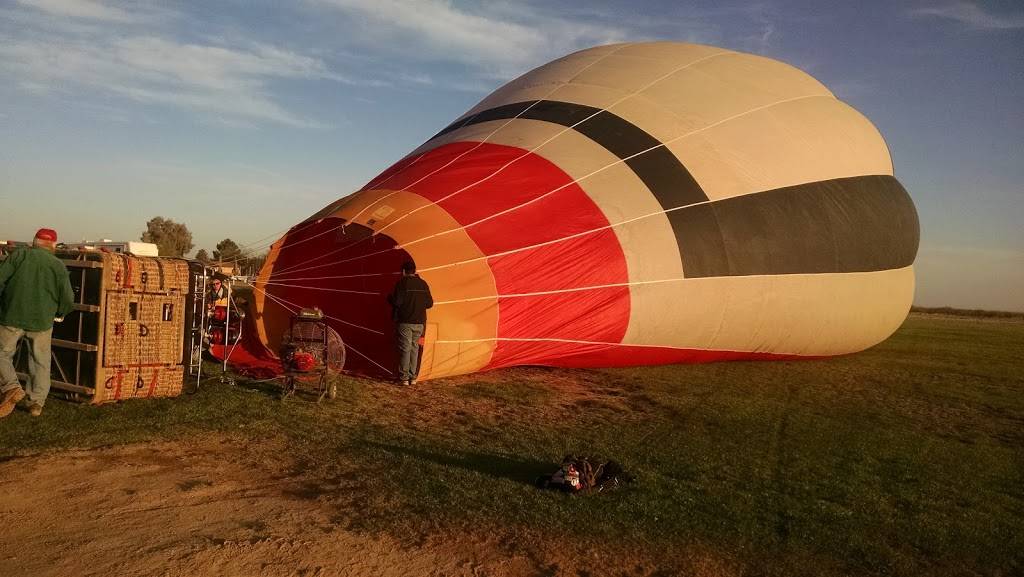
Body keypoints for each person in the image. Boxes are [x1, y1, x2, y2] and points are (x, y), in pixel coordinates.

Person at [0, 228, 75, 418]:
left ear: (34, 241)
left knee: (2, 353)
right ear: (53, 245)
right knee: (40, 362)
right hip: (42, 320)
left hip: (12, 315)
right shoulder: (57, 265)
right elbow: (67, 297)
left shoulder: (19, 256)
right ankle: (36, 404)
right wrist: (61, 312)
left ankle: (11, 386)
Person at [387, 260, 432, 386]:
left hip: (405, 322)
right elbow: (429, 304)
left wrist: (389, 298)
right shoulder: (423, 284)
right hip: (420, 322)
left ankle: (404, 378)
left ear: (403, 271)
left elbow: (397, 302)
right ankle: (413, 377)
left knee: (405, 349)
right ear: (415, 271)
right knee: (414, 349)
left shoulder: (402, 283)